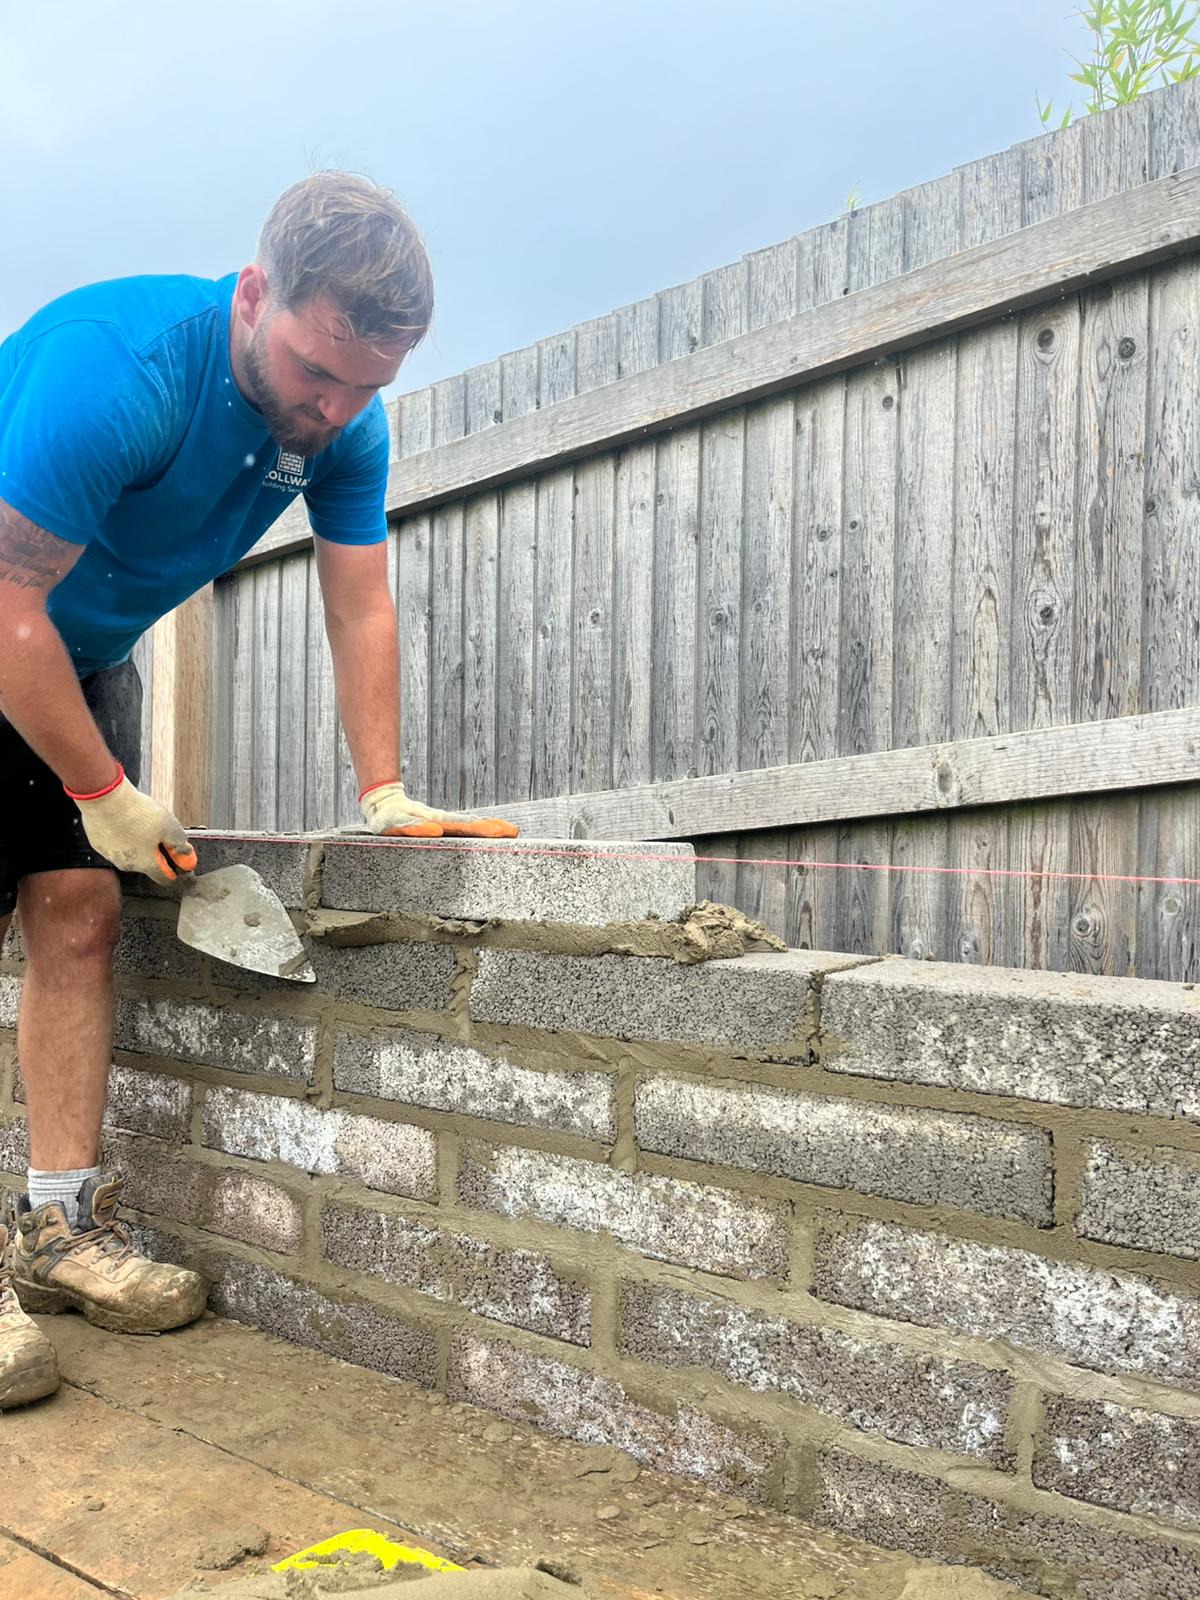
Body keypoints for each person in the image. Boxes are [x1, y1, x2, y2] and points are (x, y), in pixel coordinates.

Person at [0, 171, 517, 1410]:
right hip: (8, 620)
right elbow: (5, 607)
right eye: (315, 370)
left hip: (77, 650)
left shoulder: (343, 427)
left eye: (365, 385)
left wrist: (385, 791)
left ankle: (57, 1228)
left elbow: (360, 601)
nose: (333, 408)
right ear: (252, 295)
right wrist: (104, 788)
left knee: (78, 913)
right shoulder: (118, 371)